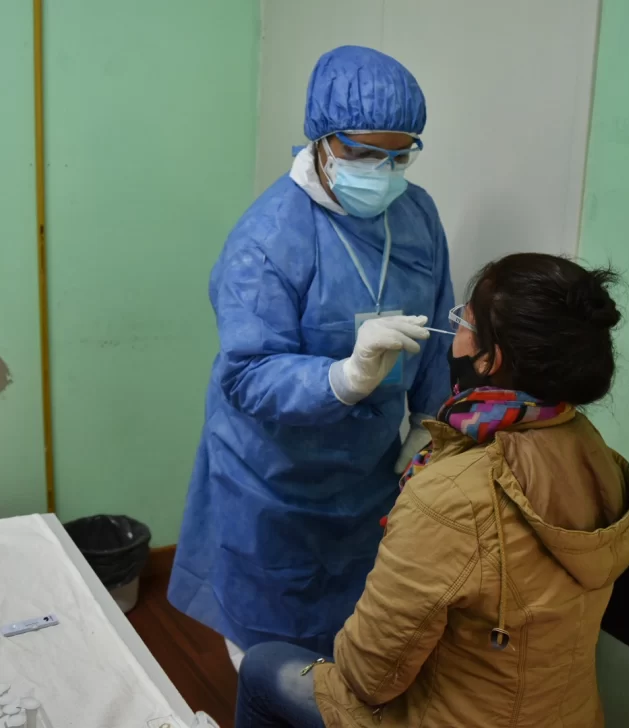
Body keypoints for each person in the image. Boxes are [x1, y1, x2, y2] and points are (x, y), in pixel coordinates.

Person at [234, 253, 629, 728]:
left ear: (491, 359)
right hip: (566, 715)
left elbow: (368, 678)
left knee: (264, 666)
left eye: (464, 322)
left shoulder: (451, 497)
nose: (455, 335)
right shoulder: (597, 455)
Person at [168, 45, 455, 665]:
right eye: (362, 152)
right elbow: (248, 374)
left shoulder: (417, 216)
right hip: (272, 485)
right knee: (268, 662)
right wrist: (345, 378)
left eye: (398, 154)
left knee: (351, 645)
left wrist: (434, 429)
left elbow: (438, 334)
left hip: (370, 478)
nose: (382, 170)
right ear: (321, 142)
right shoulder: (268, 237)